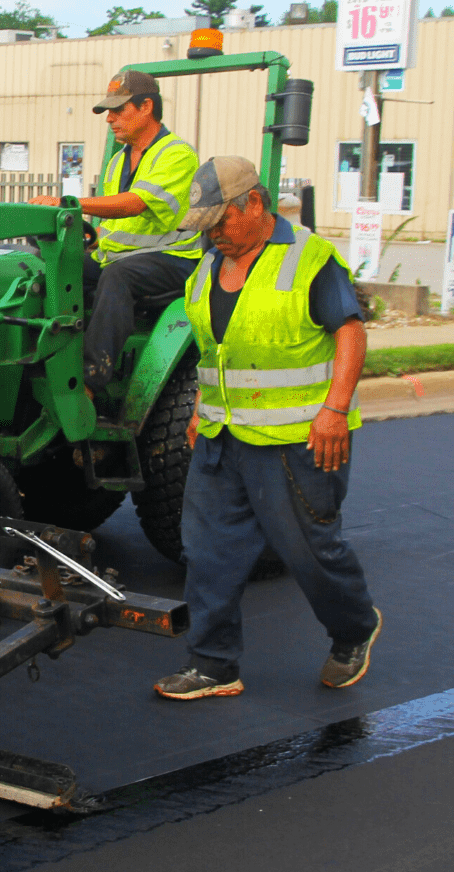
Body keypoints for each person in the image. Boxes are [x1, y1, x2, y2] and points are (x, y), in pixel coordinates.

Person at [154, 155, 382, 701]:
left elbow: (349, 332)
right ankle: (212, 665)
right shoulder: (209, 263)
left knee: (308, 551)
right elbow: (217, 349)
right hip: (220, 436)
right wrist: (198, 411)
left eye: (220, 222)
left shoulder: (309, 260)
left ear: (252, 204)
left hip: (297, 440)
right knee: (207, 552)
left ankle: (354, 628)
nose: (212, 235)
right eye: (204, 226)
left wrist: (335, 409)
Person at [29, 71, 203, 393]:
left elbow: (134, 204)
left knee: (119, 277)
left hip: (173, 260)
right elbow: (112, 220)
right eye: (108, 112)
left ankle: (90, 380)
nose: (110, 119)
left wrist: (69, 204)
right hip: (120, 258)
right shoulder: (117, 161)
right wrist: (90, 240)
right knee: (48, 267)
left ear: (146, 106)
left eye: (118, 110)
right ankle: (40, 357)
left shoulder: (177, 154)